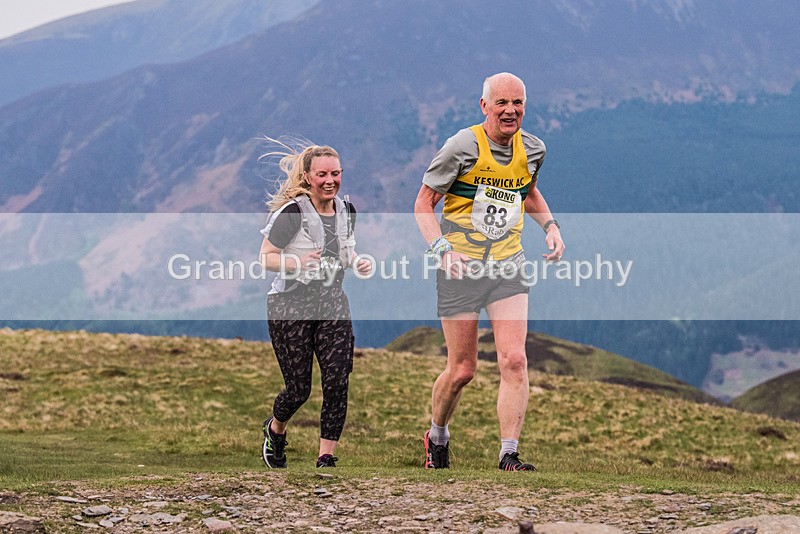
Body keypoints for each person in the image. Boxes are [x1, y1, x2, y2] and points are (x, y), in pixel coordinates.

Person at [413, 72, 565, 471]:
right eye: (502, 103)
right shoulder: (461, 147)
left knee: (514, 359)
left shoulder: (533, 149)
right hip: (460, 268)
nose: (510, 110)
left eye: (518, 103)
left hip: (507, 265)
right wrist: (442, 249)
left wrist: (550, 227)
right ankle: (437, 435)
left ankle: (508, 454)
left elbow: (528, 193)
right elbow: (423, 204)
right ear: (485, 106)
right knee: (462, 370)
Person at [258, 138, 371, 469]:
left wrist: (358, 261)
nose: (330, 181)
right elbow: (265, 257)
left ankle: (326, 457)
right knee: (298, 389)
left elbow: (346, 249)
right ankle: (275, 430)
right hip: (289, 305)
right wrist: (297, 263)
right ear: (308, 177)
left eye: (336, 173)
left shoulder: (347, 210)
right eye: (322, 174)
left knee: (337, 381)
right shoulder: (292, 213)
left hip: (332, 302)